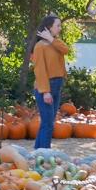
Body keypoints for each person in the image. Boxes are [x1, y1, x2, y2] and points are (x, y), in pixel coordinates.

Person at [28, 15, 69, 149]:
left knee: (48, 122)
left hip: (57, 85)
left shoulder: (55, 43)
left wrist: (51, 39)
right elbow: (39, 71)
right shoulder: (40, 46)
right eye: (57, 26)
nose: (60, 28)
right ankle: (45, 154)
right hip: (45, 87)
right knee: (48, 124)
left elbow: (66, 50)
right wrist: (45, 92)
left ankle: (37, 152)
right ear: (48, 28)